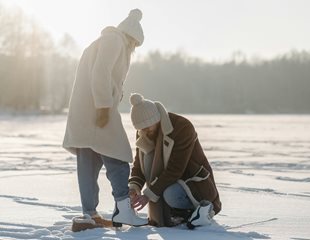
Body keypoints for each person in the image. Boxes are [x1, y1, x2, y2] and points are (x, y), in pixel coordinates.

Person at [62, 9, 148, 231]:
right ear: (132, 38)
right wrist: (103, 106)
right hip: (97, 110)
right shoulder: (115, 41)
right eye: (135, 45)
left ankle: (89, 215)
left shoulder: (102, 41)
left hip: (84, 112)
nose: (134, 50)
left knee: (88, 162)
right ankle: (124, 210)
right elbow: (100, 72)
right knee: (117, 155)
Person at [128, 93, 222, 228]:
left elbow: (175, 169)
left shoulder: (182, 127)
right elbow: (139, 165)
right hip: (168, 182)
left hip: (192, 183)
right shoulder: (144, 132)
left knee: (170, 194)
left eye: (148, 126)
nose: (145, 131)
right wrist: (134, 188)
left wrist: (148, 195)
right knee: (167, 193)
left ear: (157, 118)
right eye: (141, 128)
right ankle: (178, 215)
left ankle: (199, 211)